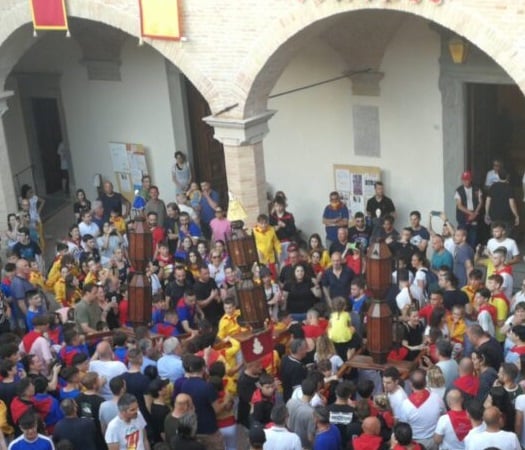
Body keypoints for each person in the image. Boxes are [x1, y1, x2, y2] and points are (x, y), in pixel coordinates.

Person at [179, 355, 226, 450]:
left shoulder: (184, 385)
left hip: (193, 430)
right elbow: (217, 410)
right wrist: (227, 401)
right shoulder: (207, 387)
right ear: (203, 368)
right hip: (209, 429)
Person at [398, 368, 445, 449]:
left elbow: (403, 426)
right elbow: (444, 415)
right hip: (433, 440)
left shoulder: (405, 404)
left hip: (415, 443)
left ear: (410, 384)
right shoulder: (437, 398)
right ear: (425, 383)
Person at [455, 171, 483, 248]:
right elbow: (459, 205)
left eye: (467, 179)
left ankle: (472, 255)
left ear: (470, 179)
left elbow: (480, 202)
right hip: (462, 217)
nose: (465, 181)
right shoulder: (459, 190)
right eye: (463, 179)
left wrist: (475, 213)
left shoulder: (476, 189)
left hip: (474, 217)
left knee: (473, 238)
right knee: (461, 238)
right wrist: (471, 214)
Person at [286, 378, 316, 449]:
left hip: (290, 442)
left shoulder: (290, 402)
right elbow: (310, 437)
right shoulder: (312, 412)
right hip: (304, 446)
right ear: (314, 393)